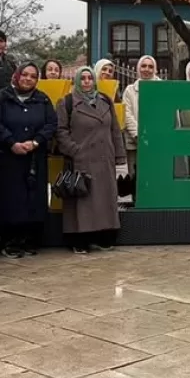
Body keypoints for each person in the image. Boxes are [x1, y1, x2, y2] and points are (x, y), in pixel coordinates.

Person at [0, 62, 57, 258]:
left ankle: (29, 240)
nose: (28, 79)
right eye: (24, 75)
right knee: (11, 200)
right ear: (17, 76)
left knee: (33, 200)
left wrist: (36, 142)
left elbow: (51, 124)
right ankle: (10, 241)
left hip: (34, 157)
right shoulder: (1, 98)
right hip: (8, 158)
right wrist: (11, 142)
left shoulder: (42, 100)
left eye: (33, 76)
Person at [56, 67, 126, 254]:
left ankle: (104, 237)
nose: (87, 81)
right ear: (77, 81)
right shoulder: (67, 102)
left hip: (104, 159)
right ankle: (80, 239)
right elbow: (61, 131)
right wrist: (75, 150)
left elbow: (115, 130)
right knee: (83, 203)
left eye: (90, 78)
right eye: (83, 78)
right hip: (81, 161)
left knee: (104, 201)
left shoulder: (105, 100)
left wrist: (119, 155)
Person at [121, 54, 159, 179]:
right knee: (136, 179)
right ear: (138, 68)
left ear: (155, 69)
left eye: (150, 66)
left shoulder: (163, 88)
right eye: (143, 66)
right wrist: (139, 136)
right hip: (135, 143)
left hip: (157, 143)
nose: (147, 69)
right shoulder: (129, 90)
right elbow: (127, 115)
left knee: (156, 177)